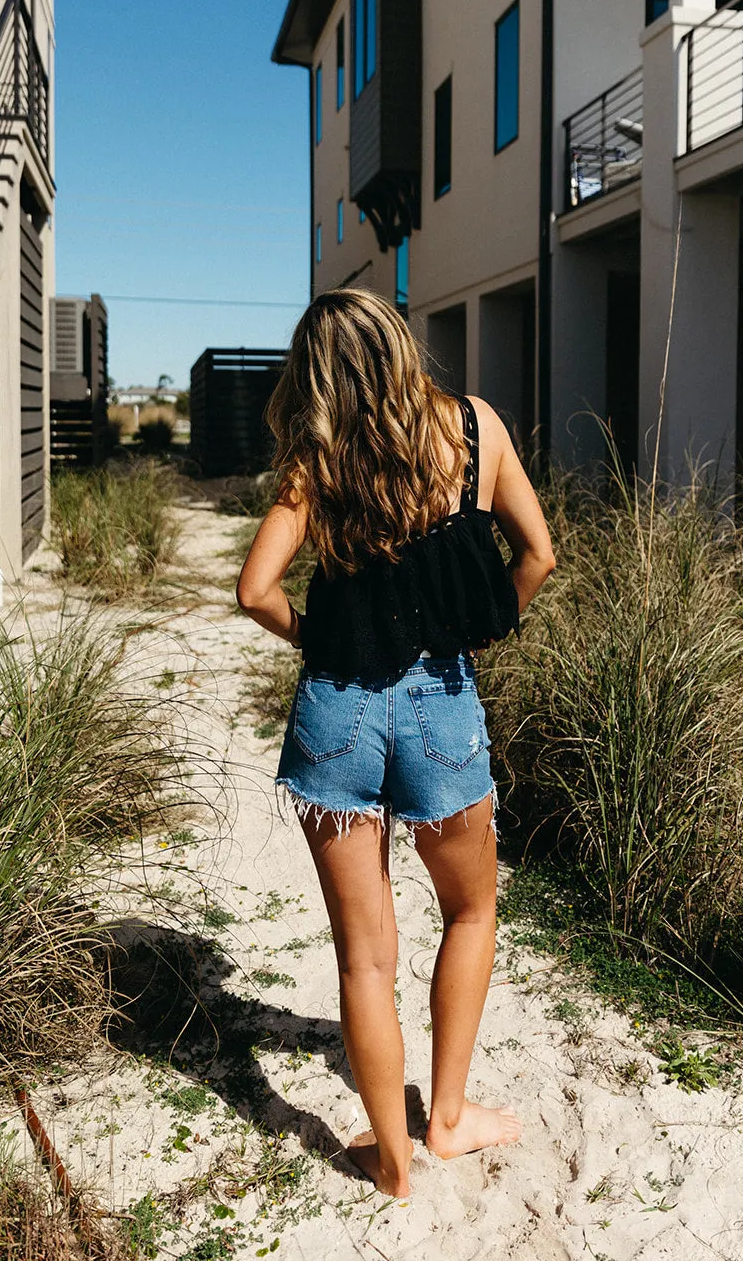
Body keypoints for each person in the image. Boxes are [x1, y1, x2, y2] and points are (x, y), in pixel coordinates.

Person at [236, 288, 555, 1198]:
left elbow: (256, 589)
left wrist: (315, 638)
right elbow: (538, 555)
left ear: (319, 376)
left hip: (335, 708)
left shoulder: (317, 458)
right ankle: (447, 1120)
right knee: (469, 911)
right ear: (396, 344)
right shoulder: (472, 429)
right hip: (440, 705)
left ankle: (391, 1161)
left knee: (363, 957)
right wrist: (485, 626)